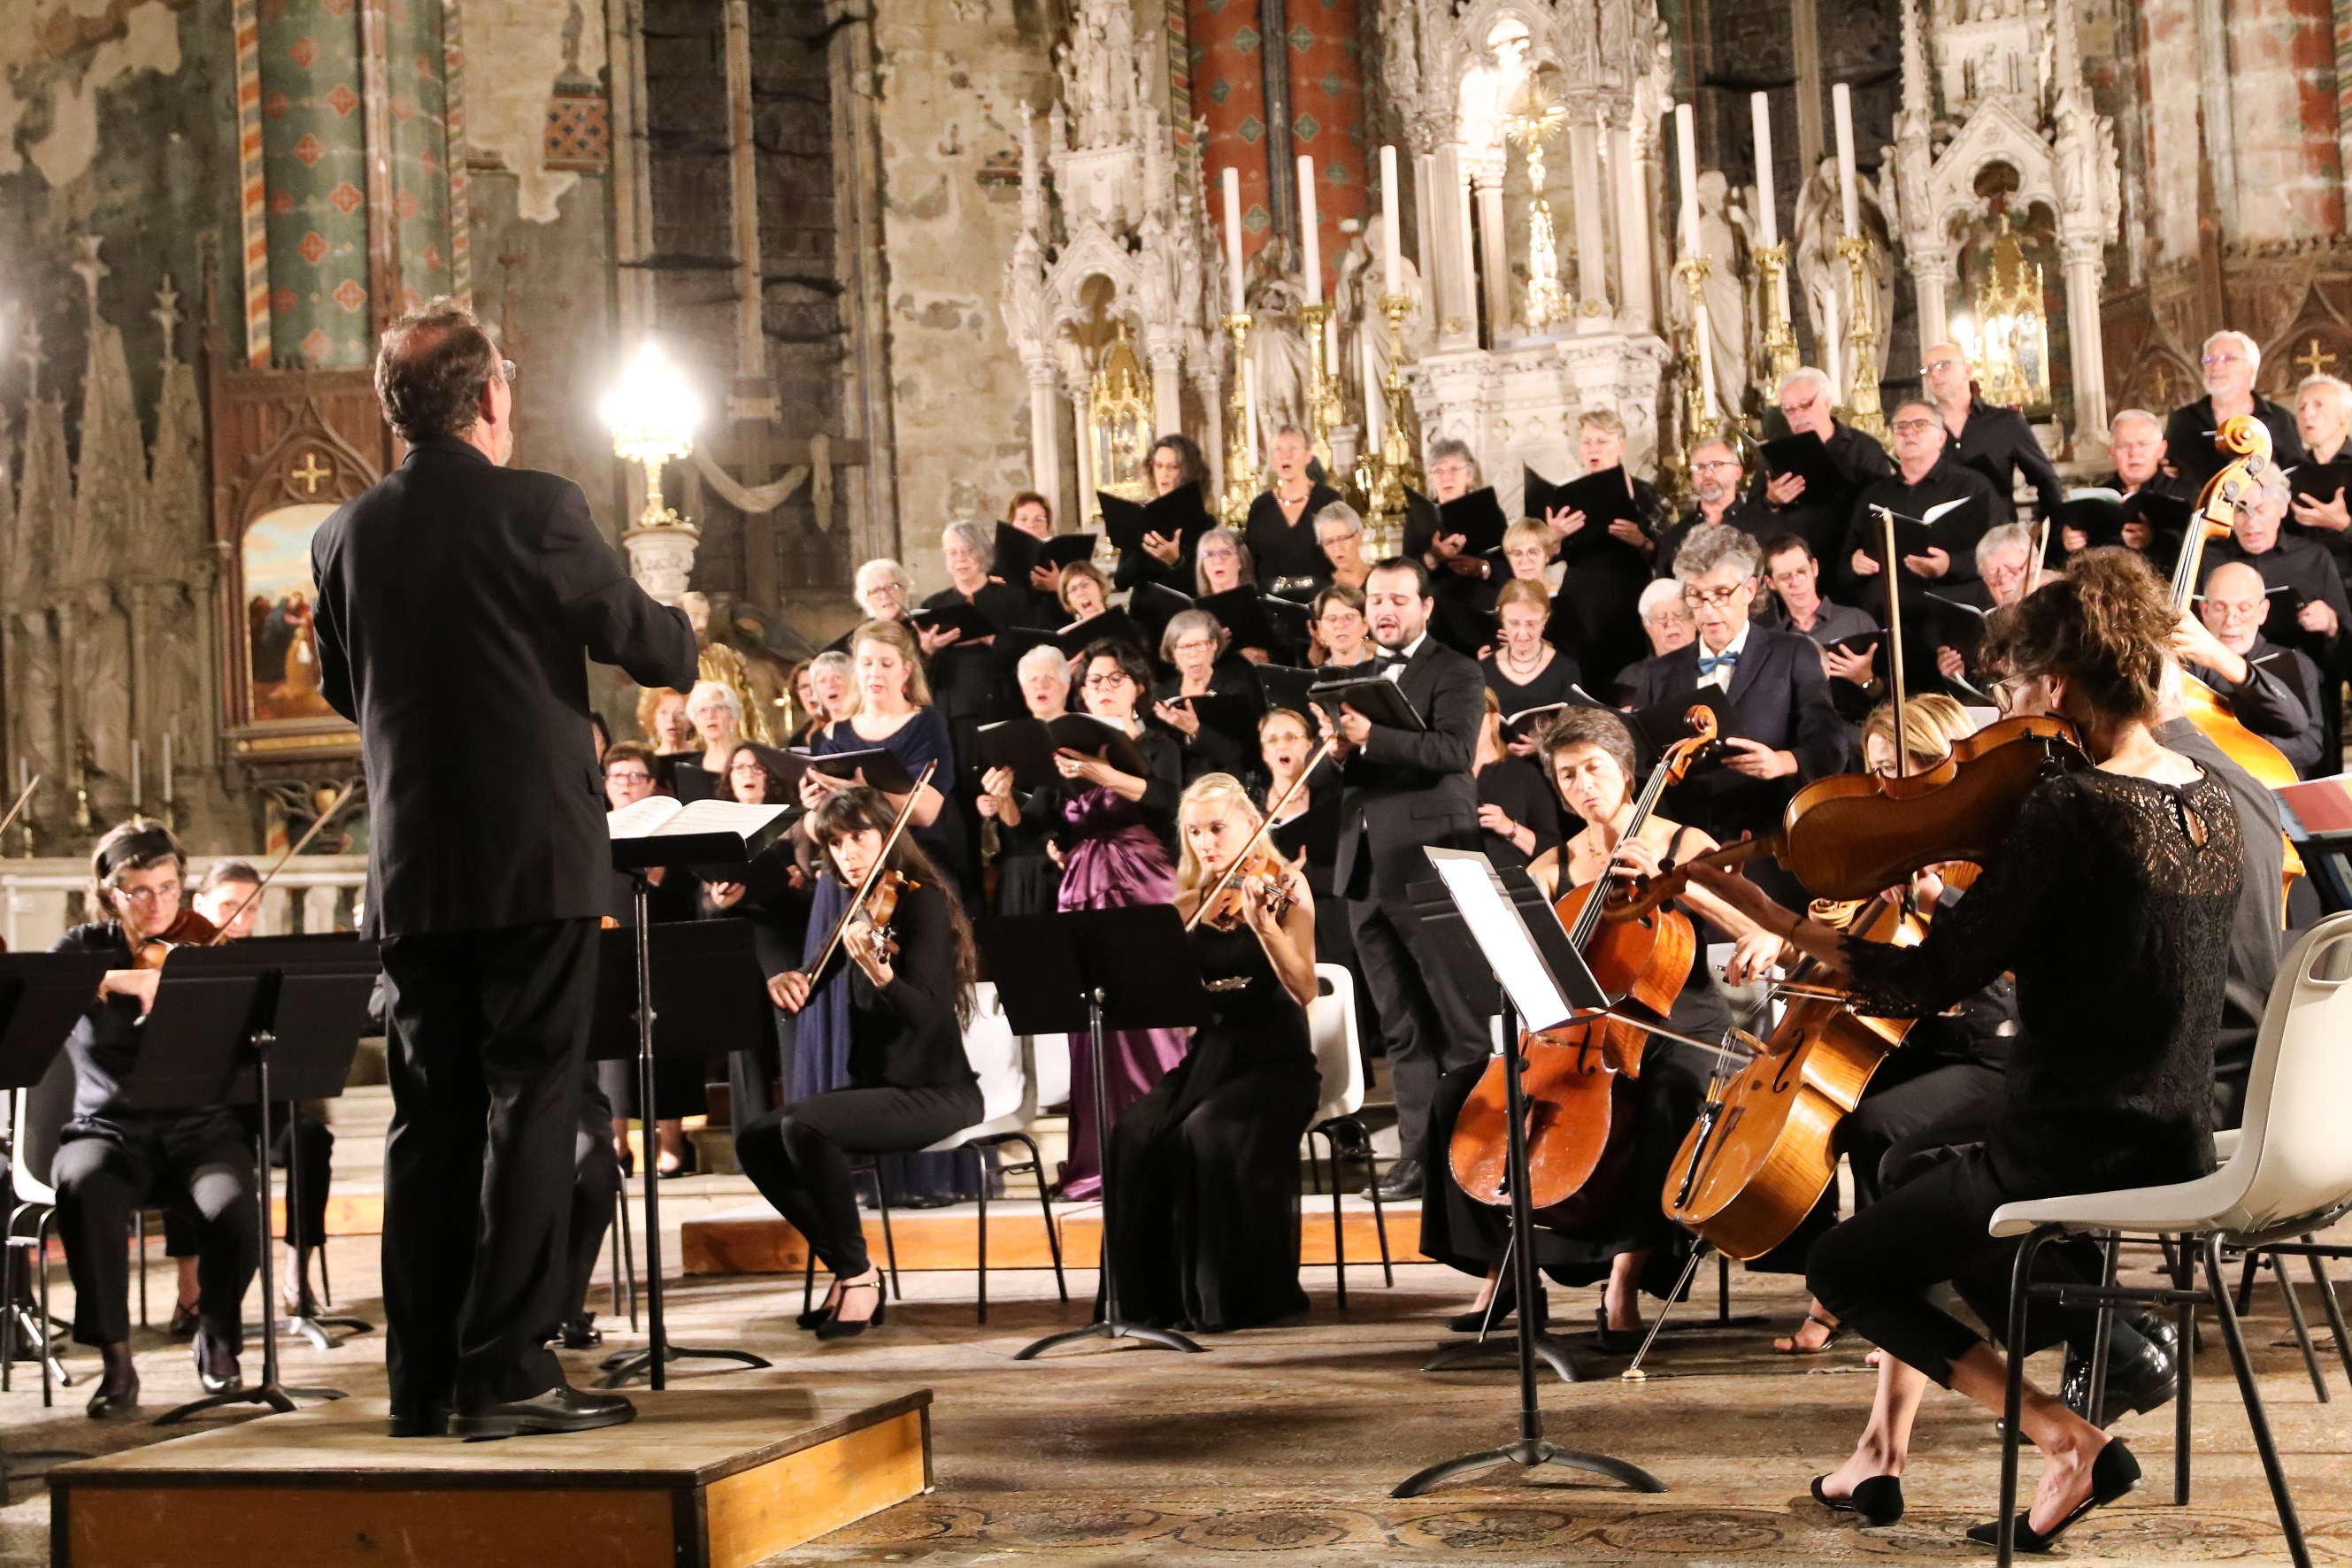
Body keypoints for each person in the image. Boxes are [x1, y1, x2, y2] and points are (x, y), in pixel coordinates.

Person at [1688, 548, 2240, 1548]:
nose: (2005, 713)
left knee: (1852, 1266)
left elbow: (1921, 978)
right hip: (2178, 1135)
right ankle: (2091, 1348)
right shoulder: (2204, 793)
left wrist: (1778, 915)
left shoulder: (2069, 808)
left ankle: (2063, 1433)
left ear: (2058, 685)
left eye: (2017, 688)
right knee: (1921, 1175)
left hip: (2071, 1144)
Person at [311, 299, 695, 1438]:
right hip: (533, 863)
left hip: (415, 873)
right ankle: (511, 1370)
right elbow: (646, 641)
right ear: (489, 397)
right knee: (531, 1103)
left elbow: (349, 686)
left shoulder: (342, 536)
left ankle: (421, 1380)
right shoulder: (537, 506)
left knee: (429, 1116)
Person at [1419, 709, 1786, 1343]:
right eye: (1567, 775)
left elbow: (1753, 926)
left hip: (1675, 1019)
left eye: (1594, 768)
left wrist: (1670, 883)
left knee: (1669, 1095)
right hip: (1577, 1037)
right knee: (1458, 1095)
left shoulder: (1684, 844)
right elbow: (1532, 976)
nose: (1583, 784)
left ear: (1625, 771)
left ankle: (1625, 1278)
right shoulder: (1550, 868)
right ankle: (1502, 1272)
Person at [1766, 696, 2017, 1357]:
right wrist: (1784, 943)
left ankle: (1911, 1309)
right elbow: (1843, 922)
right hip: (1926, 1038)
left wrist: (1941, 904)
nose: (1893, 786)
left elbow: (2011, 969)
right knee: (1844, 1104)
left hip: (1997, 1050)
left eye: (1913, 766)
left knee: (1881, 1124)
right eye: (1880, 769)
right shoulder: (1889, 843)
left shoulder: (1996, 836)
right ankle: (1854, 1289)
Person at [747, 788, 984, 1340]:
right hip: (883, 1089)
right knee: (755, 1138)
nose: (848, 853)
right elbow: (809, 981)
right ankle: (850, 1265)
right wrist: (787, 980)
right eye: (835, 843)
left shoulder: (920, 901)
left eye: (859, 838)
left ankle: (856, 1277)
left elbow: (926, 1013)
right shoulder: (858, 908)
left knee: (806, 1126)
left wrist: (883, 976)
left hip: (939, 1092)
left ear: (886, 836)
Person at [51, 823, 262, 1417]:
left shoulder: (203, 949)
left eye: (169, 888)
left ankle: (217, 1338)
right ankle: (117, 1364)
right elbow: (32, 989)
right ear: (111, 891)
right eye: (140, 891)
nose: (158, 904)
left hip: (199, 1131)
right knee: (83, 1184)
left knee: (237, 1209)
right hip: (107, 1132)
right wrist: (119, 977)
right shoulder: (83, 949)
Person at [1105, 774, 1322, 1332]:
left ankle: (1229, 1298)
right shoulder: (1187, 905)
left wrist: (1265, 929)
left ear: (1251, 824)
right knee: (1133, 1130)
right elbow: (1167, 1001)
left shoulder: (1286, 888)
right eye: (1195, 831)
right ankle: (1152, 1302)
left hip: (1276, 1063)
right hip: (1210, 1059)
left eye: (1218, 828)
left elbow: (1304, 990)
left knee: (1205, 1131)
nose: (1206, 843)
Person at [1316, 557, 1487, 1202]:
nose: (1384, 611)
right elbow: (1334, 783)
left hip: (1430, 862)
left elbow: (1452, 753)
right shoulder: (1351, 678)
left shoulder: (1457, 669)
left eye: (1397, 599)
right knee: (1401, 1025)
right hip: (1363, 870)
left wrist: (1372, 735)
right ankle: (1417, 1155)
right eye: (1375, 601)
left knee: (1457, 1017)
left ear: (1426, 606)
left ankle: (1477, 1148)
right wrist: (1337, 753)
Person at [794, 618, 971, 1204]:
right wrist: (814, 803)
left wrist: (869, 787)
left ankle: (912, 1173)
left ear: (907, 670)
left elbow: (926, 812)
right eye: (864, 664)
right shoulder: (832, 731)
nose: (872, 674)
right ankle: (841, 1164)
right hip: (842, 887)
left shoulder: (926, 726)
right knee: (841, 1010)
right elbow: (822, 828)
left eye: (884, 664)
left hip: (904, 880)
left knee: (903, 1005)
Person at [1022, 641, 1187, 1198]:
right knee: (1093, 1023)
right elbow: (1042, 823)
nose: (1104, 688)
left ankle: (1166, 1148)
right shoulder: (1067, 752)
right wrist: (1009, 814)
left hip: (1144, 881)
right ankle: (1103, 1159)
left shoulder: (1161, 743)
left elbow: (1169, 800)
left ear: (1138, 685)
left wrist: (1101, 772)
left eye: (1115, 679)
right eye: (1094, 682)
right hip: (1082, 890)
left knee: (1153, 1016)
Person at [156, 860, 337, 1330]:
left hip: (256, 1106)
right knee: (182, 1145)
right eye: (228, 906)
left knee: (311, 1139)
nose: (239, 920)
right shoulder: (173, 962)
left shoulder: (268, 967)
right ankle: (190, 1292)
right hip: (197, 1109)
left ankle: (297, 1281)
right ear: (198, 906)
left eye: (251, 908)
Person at [1622, 525, 1848, 867]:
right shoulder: (1659, 672)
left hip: (1769, 843)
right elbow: (1641, 764)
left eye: (1722, 593)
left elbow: (1830, 746)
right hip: (1684, 851)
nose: (1709, 610)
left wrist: (1781, 762)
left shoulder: (1793, 653)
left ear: (1749, 590)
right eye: (1696, 596)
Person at [1842, 400, 2003, 689]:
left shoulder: (1973, 487)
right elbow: (1842, 569)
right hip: (1892, 631)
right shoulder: (1873, 496)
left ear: (1941, 437)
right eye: (1900, 427)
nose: (1908, 433)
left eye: (1919, 425)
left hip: (1951, 632)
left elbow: (2001, 554)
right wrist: (1855, 564)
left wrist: (1949, 566)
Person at [598, 742, 703, 1178]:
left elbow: (683, 886)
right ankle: (616, 1143)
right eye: (617, 776)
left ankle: (672, 1141)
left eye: (635, 776)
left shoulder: (672, 830)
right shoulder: (591, 829)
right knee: (611, 1049)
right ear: (605, 785)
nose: (625, 784)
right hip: (610, 944)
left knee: (668, 1044)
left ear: (653, 785)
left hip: (663, 946)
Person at [2199, 466, 2349, 762]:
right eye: (2240, 511)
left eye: (2260, 509)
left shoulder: (2312, 557)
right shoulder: (2210, 558)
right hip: (2223, 691)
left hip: (2304, 692)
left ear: (2281, 509)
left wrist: (2331, 625)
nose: (2250, 522)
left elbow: (2346, 646)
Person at [703, 741, 815, 1127]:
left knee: (791, 1034)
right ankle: (751, 1137)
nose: (747, 775)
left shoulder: (792, 822)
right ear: (728, 779)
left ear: (770, 776)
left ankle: (801, 1129)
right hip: (737, 936)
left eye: (756, 768)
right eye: (738, 768)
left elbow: (809, 884)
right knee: (743, 1042)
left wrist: (799, 882)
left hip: (782, 933)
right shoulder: (717, 825)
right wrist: (717, 900)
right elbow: (702, 899)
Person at [1537, 409, 1659, 680]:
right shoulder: (1566, 494)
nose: (1593, 449)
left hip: (1627, 592)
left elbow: (1664, 550)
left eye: (1602, 441)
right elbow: (1547, 557)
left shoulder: (1642, 492)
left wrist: (1641, 540)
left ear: (1621, 446)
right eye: (1586, 442)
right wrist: (1554, 535)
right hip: (1581, 596)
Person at [2175, 560, 2325, 774]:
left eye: (2243, 608)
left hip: (2272, 784)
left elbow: (2310, 747)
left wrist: (2233, 741)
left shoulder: (2295, 662)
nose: (2231, 620)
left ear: (2262, 611)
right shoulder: (2183, 667)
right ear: (2204, 610)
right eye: (2220, 608)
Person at [1755, 365, 1895, 565]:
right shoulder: (1777, 452)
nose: (1798, 415)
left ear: (1827, 403)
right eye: (1790, 410)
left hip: (1847, 559)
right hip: (1796, 563)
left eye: (1806, 405)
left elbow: (1882, 508)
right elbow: (1752, 512)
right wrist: (1772, 501)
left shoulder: (1864, 448)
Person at [981, 644, 1074, 917]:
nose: (1040, 686)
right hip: (1018, 864)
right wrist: (997, 798)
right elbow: (1010, 820)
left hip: (1067, 861)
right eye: (1032, 680)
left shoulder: (1082, 733)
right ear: (1023, 691)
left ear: (1066, 686)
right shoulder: (1007, 739)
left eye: (1049, 678)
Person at [1921, 342, 2063, 520]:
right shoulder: (1922, 430)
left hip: (1997, 539)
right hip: (1941, 540)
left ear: (1968, 370)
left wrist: (2047, 530)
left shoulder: (2005, 423)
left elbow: (2047, 481)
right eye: (1927, 370)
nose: (1934, 374)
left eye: (1943, 365)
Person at [2164, 329, 2305, 494]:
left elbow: (2296, 476)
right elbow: (2168, 473)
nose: (2216, 366)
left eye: (2228, 359)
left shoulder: (2280, 419)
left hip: (2261, 517)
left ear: (2251, 369)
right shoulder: (2183, 421)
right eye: (2209, 360)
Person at [1761, 534, 1879, 706]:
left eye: (1802, 572)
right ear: (1770, 583)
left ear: (1814, 568)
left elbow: (1890, 697)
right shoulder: (1771, 641)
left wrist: (1865, 679)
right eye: (1786, 577)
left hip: (1857, 727)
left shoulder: (1856, 621)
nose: (1796, 582)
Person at [1153, 608, 1260, 779]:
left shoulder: (1235, 690)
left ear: (1214, 646)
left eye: (1200, 645)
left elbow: (1239, 754)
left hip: (1222, 785)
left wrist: (1195, 730)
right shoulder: (1161, 693)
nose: (1193, 654)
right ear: (1173, 653)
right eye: (1184, 647)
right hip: (1175, 789)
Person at [2074, 408, 2190, 560]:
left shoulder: (2187, 494)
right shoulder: (2097, 498)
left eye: (2143, 444)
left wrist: (2152, 541)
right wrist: (2070, 543)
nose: (2134, 453)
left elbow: (2199, 555)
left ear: (2161, 450)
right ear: (2112, 453)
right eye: (2124, 446)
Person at [1933, 523, 2037, 688]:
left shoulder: (2056, 611)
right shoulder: (1984, 627)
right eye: (1993, 575)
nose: (2003, 580)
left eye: (2012, 569)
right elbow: (1986, 693)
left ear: (2035, 564)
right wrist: (1959, 678)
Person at [1248, 426, 1345, 591]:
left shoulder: (1328, 500)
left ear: (1309, 456)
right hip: (1271, 604)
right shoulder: (1260, 507)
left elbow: (1343, 553)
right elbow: (1251, 563)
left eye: (1293, 448)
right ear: (1272, 457)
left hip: (1321, 599)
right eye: (1278, 449)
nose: (1285, 455)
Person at [1471, 687, 1560, 866]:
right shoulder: (1446, 775)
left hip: (1510, 882)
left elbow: (1553, 849)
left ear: (1494, 721)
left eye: (1474, 716)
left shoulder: (1523, 774)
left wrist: (1509, 828)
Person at [1657, 437, 1772, 574]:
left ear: (1738, 473)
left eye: (1716, 465)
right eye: (1699, 467)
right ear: (1692, 477)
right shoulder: (1675, 536)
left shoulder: (1764, 523)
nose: (1707, 474)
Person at [1480, 578, 1581, 725]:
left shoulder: (1566, 670)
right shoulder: (1483, 669)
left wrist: (1542, 741)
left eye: (1531, 624)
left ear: (1545, 619)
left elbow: (1576, 729)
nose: (1522, 634)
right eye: (1514, 623)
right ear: (1502, 619)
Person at [1121, 433, 1214, 589]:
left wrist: (1175, 561)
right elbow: (1121, 581)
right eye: (1158, 466)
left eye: (1172, 467)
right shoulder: (1140, 517)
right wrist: (1142, 545)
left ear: (1188, 472)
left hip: (1185, 611)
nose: (1164, 474)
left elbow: (1204, 585)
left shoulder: (1205, 522)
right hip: (1143, 611)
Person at [2286, 373, 2352, 575]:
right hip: (2305, 581)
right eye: (2301, 408)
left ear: (2345, 417)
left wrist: (2343, 524)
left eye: (2318, 405)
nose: (2308, 414)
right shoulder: (2288, 473)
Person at [681, 680, 745, 801]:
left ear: (733, 719)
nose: (710, 716)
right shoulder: (689, 769)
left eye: (718, 708)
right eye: (702, 710)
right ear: (696, 724)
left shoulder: (751, 761)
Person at [1005, 490, 1065, 601]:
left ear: (1048, 525)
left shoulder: (1063, 557)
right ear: (1011, 523)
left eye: (1038, 520)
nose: (1031, 525)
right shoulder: (994, 559)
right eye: (1023, 519)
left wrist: (1059, 586)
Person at [1310, 582, 1375, 669]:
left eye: (1349, 617)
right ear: (1320, 628)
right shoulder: (1316, 676)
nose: (1340, 625)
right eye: (1332, 619)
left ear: (1365, 624)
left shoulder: (1385, 671)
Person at [1313, 499, 1373, 592]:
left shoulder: (1380, 579)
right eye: (1329, 542)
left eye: (1343, 539)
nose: (1337, 548)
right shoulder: (1321, 588)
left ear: (1359, 536)